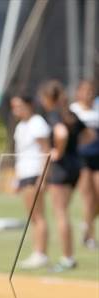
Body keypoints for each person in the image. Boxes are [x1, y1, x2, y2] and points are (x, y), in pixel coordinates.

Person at [38, 80, 93, 271]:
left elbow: (60, 134)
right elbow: (89, 136)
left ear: (47, 98)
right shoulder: (71, 114)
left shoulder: (54, 115)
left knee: (61, 213)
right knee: (64, 211)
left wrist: (58, 151)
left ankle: (67, 257)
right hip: (76, 166)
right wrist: (74, 149)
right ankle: (68, 255)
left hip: (61, 168)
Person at [10, 93, 51, 269]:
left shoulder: (37, 123)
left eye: (19, 106)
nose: (16, 110)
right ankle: (37, 252)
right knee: (32, 216)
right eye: (14, 106)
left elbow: (46, 151)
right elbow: (20, 155)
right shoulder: (21, 126)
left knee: (38, 215)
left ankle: (41, 253)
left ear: (29, 105)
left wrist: (43, 179)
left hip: (35, 173)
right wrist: (17, 178)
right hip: (25, 174)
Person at [70, 79, 99, 248]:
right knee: (88, 198)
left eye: (91, 90)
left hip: (97, 157)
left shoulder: (97, 109)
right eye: (85, 90)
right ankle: (89, 236)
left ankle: (86, 222)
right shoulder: (74, 110)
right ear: (78, 92)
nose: (88, 94)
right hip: (82, 159)